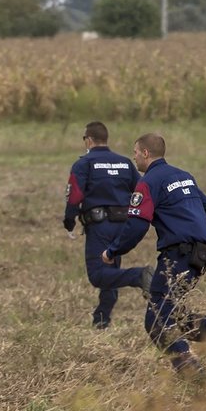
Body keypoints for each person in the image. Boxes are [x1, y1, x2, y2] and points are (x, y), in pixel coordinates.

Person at [102, 133, 206, 377]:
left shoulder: (148, 182)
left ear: (146, 154)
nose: (134, 156)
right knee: (170, 311)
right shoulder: (183, 176)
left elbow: (137, 225)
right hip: (198, 257)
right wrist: (201, 240)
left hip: (178, 255)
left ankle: (190, 369)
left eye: (136, 152)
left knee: (156, 319)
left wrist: (113, 250)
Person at [63, 121, 148, 329]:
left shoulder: (84, 164)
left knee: (98, 276)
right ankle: (102, 320)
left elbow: (75, 195)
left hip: (99, 226)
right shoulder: (124, 163)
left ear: (89, 139)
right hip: (122, 225)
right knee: (111, 274)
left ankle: (140, 275)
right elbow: (141, 190)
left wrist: (69, 220)